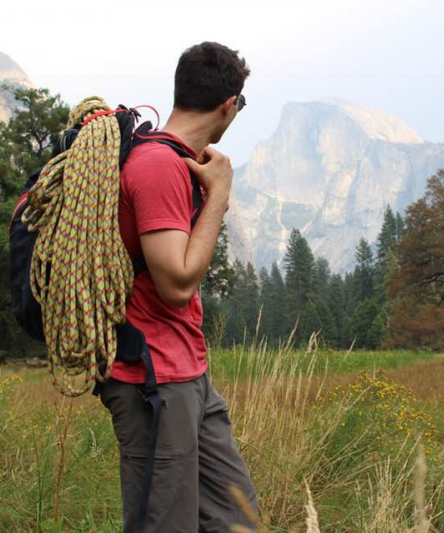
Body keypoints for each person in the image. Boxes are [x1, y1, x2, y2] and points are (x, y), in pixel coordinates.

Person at [100, 42, 257, 533]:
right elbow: (175, 283)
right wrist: (220, 195)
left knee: (238, 518)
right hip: (153, 380)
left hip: (186, 373)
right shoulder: (159, 166)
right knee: (165, 524)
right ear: (229, 104)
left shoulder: (173, 160)